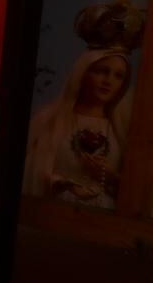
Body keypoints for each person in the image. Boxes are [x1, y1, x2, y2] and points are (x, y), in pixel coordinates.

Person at [24, 47, 134, 208]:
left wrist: (111, 177)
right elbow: (29, 171)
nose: (108, 81)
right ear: (83, 73)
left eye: (118, 76)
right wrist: (62, 184)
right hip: (56, 210)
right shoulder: (50, 120)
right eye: (101, 71)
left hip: (105, 219)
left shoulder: (122, 130)